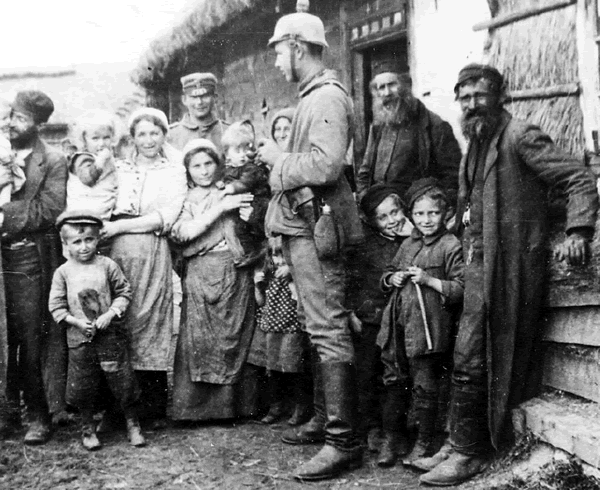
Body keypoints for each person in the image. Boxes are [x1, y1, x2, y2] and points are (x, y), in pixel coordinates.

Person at [419, 64, 599, 486]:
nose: (471, 104)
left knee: (478, 356)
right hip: (478, 268)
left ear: (501, 97)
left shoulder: (521, 136)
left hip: (511, 269)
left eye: (480, 95)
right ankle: (458, 441)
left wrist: (577, 231)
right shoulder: (476, 144)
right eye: (464, 97)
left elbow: (577, 178)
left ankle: (471, 451)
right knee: (465, 357)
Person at [257, 12, 364, 481]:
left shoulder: (325, 98)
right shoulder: (313, 96)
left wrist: (278, 160)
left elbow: (324, 167)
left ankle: (343, 442)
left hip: (316, 231)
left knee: (328, 328)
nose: (278, 60)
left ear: (298, 47)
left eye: (280, 50)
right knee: (318, 326)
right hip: (305, 228)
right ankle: (327, 423)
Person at [102, 107, 186, 428]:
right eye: (142, 134)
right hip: (117, 252)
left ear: (164, 135)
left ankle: (150, 405)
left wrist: (121, 227)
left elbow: (166, 216)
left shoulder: (174, 171)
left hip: (151, 249)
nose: (149, 140)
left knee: (149, 317)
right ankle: (118, 404)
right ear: (133, 138)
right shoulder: (120, 169)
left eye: (155, 133)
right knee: (118, 317)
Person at [170, 139, 259, 421]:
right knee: (199, 337)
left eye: (209, 163)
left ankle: (235, 408)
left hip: (234, 269)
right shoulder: (184, 198)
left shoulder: (235, 189)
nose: (204, 171)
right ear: (188, 170)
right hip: (200, 270)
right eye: (196, 166)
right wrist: (220, 208)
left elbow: (255, 225)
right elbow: (182, 233)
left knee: (235, 333)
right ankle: (195, 409)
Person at [378, 179, 463, 468]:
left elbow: (462, 288)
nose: (426, 220)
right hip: (398, 326)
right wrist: (394, 278)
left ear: (445, 214)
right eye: (420, 214)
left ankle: (425, 443)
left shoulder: (450, 245)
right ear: (411, 216)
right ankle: (393, 438)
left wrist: (428, 280)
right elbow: (387, 274)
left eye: (433, 214)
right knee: (394, 380)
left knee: (426, 386)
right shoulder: (408, 244)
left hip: (429, 330)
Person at [0, 90, 67, 444]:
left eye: (21, 119)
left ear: (40, 125)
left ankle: (39, 414)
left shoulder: (52, 160)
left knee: (30, 337)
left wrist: (2, 216)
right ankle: (6, 412)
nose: (11, 122)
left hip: (27, 257)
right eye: (10, 114)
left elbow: (50, 210)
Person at [48, 211, 145, 451]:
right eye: (76, 242)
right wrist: (77, 322)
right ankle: (87, 428)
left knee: (122, 381)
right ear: (66, 244)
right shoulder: (63, 272)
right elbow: (56, 306)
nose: (83, 246)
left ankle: (133, 425)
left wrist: (110, 314)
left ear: (98, 239)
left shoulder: (107, 265)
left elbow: (124, 293)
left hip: (109, 337)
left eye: (89, 240)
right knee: (83, 386)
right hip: (79, 340)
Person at [346, 183, 412, 454]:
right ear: (372, 222)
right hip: (371, 317)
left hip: (401, 320)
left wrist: (413, 235)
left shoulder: (413, 237)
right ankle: (372, 426)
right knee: (367, 374)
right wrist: (350, 311)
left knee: (395, 375)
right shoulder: (367, 245)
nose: (392, 220)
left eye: (395, 212)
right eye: (383, 217)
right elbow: (351, 279)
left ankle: (394, 431)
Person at [356, 61, 462, 210]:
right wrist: (365, 201)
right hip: (379, 214)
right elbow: (365, 172)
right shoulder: (378, 127)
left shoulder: (435, 126)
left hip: (413, 213)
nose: (387, 93)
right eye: (381, 87)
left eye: (392, 84)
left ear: (406, 85)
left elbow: (452, 179)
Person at [219, 120, 270, 270]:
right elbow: (226, 178)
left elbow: (245, 183)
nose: (242, 156)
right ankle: (248, 252)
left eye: (245, 150)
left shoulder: (251, 168)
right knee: (239, 228)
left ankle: (253, 252)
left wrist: (230, 188)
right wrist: (222, 184)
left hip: (257, 200)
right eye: (237, 151)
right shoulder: (231, 168)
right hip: (245, 202)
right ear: (227, 153)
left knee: (244, 226)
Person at [66, 110, 119, 221]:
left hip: (104, 213)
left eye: (106, 137)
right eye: (95, 138)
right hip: (83, 215)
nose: (102, 143)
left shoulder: (109, 157)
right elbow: (87, 179)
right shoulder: (82, 158)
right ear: (84, 140)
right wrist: (100, 161)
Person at [168, 72, 229, 152]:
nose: (199, 102)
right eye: (194, 97)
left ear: (215, 98)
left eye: (205, 96)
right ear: (184, 100)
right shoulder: (171, 135)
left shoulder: (227, 131)